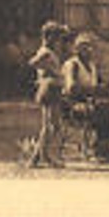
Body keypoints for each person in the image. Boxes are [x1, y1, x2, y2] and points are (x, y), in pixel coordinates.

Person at [62, 32, 109, 163]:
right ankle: (100, 148)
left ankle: (103, 145)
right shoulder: (73, 65)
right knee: (103, 113)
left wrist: (107, 87)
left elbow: (99, 85)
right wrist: (93, 90)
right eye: (84, 47)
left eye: (90, 47)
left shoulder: (92, 66)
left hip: (90, 103)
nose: (88, 50)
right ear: (76, 49)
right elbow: (71, 88)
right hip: (73, 104)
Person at [25, 20, 70, 167]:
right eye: (57, 37)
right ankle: (43, 156)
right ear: (49, 37)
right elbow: (32, 63)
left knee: (50, 125)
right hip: (50, 89)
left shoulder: (49, 51)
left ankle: (37, 157)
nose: (59, 42)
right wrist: (47, 74)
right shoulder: (45, 52)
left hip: (53, 88)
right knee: (53, 125)